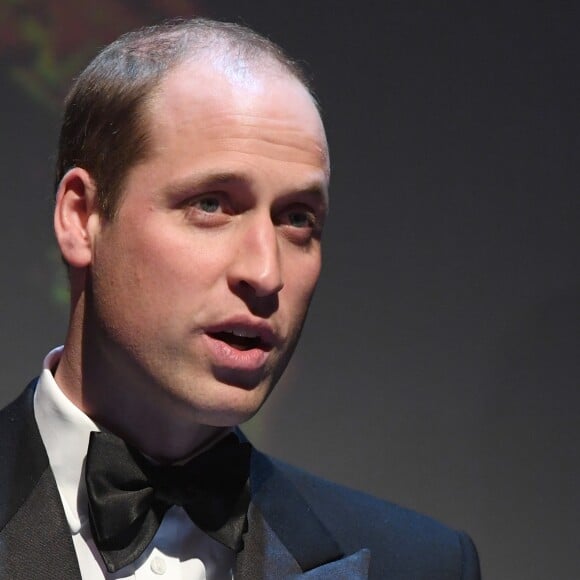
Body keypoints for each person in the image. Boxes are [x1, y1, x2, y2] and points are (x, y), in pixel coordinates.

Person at [0, 18, 481, 579]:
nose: (265, 271)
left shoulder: (421, 566)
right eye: (211, 205)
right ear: (82, 219)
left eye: (298, 219)